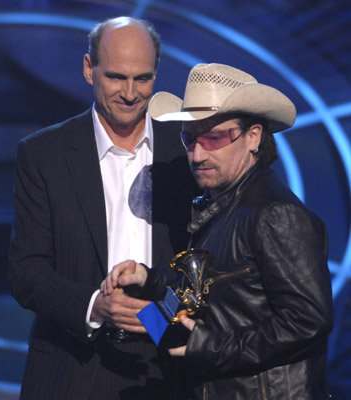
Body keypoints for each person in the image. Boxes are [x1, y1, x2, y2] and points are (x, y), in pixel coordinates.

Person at [102, 63, 334, 399]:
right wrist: (147, 281)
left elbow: (308, 320)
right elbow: (208, 293)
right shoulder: (220, 206)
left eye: (214, 137)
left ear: (253, 137)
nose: (197, 154)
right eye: (189, 138)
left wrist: (209, 346)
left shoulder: (274, 214)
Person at [8, 16, 198, 400]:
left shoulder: (185, 152)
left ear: (157, 75)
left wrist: (162, 319)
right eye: (116, 77)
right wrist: (96, 306)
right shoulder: (44, 153)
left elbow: (202, 262)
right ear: (88, 69)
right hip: (70, 365)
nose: (130, 93)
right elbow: (26, 270)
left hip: (166, 367)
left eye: (142, 78)